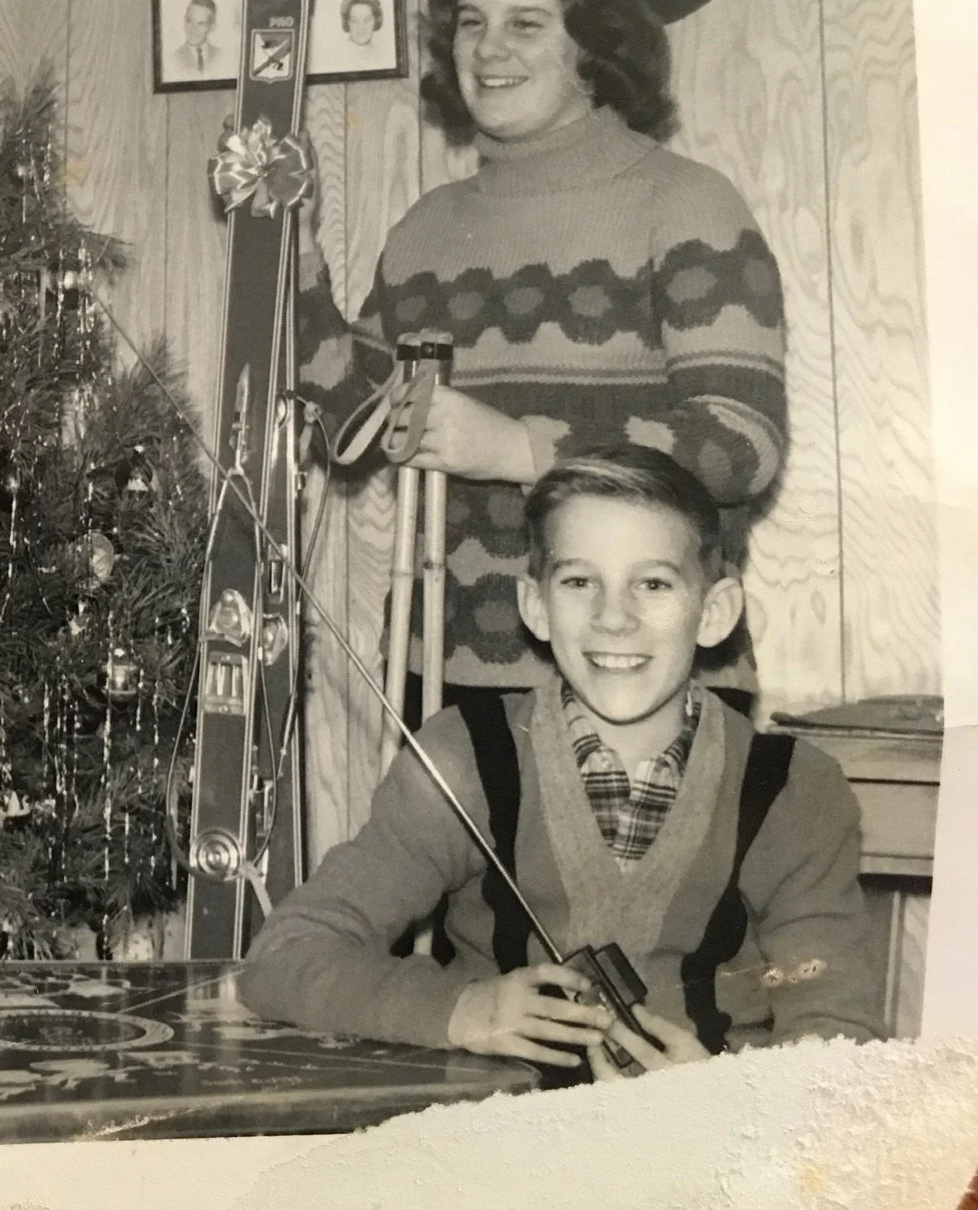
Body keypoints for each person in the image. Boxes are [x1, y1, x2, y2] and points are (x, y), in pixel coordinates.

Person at [238, 446, 881, 1079]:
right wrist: (460, 1009)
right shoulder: (465, 758)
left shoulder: (794, 788)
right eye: (579, 582)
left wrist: (727, 1097)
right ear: (536, 607)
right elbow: (284, 957)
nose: (613, 618)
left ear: (713, 613)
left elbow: (835, 1034)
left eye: (652, 584)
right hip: (493, 1152)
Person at [295, 0, 786, 717]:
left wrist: (523, 448)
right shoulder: (425, 230)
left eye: (526, 24)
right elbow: (354, 428)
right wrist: (299, 256)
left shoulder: (687, 204)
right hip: (448, 693)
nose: (489, 50)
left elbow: (742, 444)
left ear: (590, 45)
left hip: (646, 687)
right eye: (470, 22)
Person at [170, 0, 223, 76]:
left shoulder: (221, 57)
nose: (193, 29)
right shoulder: (173, 59)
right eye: (189, 21)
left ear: (212, 27)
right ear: (184, 21)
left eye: (201, 24)